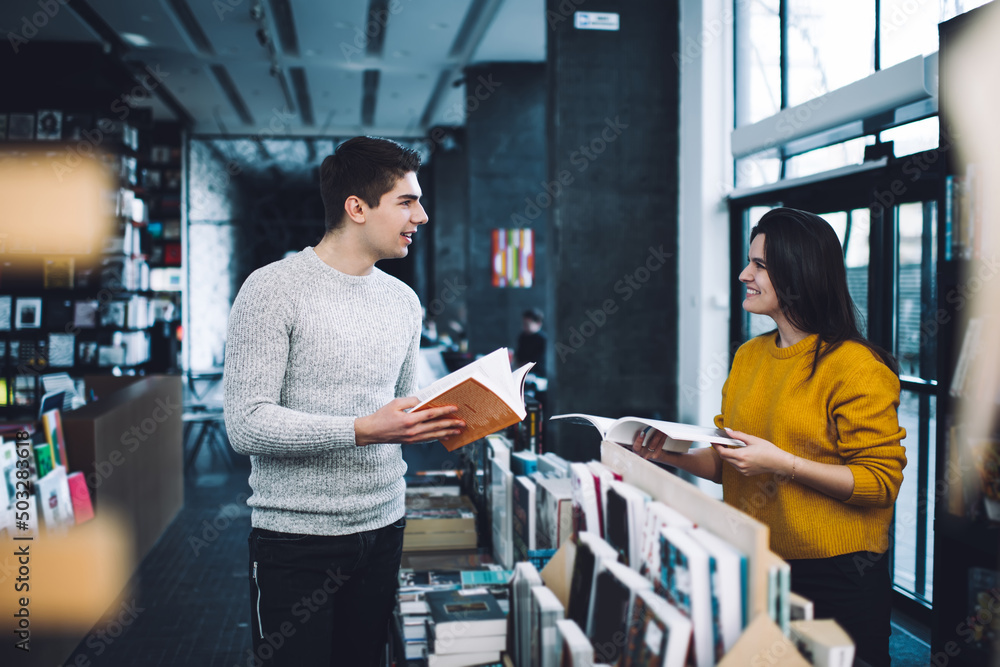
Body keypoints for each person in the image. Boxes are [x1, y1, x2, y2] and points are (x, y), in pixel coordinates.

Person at [223, 136, 466, 667]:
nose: (421, 217)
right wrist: (361, 429)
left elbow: (397, 407)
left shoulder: (404, 301)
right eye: (406, 201)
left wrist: (452, 418)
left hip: (384, 526)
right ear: (356, 208)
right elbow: (245, 424)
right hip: (296, 540)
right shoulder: (271, 289)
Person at [633, 207, 906, 667]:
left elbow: (880, 484)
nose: (744, 274)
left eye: (759, 264)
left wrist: (784, 464)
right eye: (749, 262)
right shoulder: (749, 356)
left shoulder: (856, 367)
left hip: (836, 575)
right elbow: (731, 464)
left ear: (799, 272)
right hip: (754, 560)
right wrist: (666, 455)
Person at [515, 307, 547, 377]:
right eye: (523, 324)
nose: (524, 327)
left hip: (537, 375)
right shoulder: (522, 336)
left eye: (527, 324)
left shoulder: (543, 339)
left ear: (538, 323)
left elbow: (538, 362)